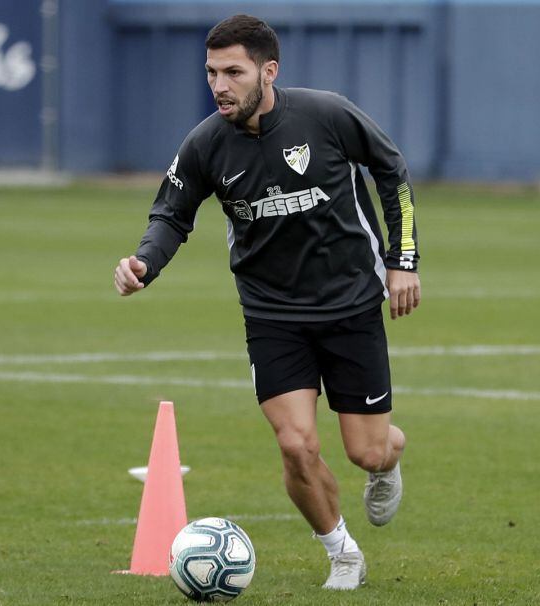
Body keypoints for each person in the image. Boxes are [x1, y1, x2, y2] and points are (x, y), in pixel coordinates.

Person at [113, 14, 421, 591]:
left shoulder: (325, 114)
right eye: (211, 73)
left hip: (351, 304)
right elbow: (170, 215)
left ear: (268, 70)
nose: (219, 85)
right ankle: (342, 552)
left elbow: (391, 168)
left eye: (233, 71)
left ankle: (391, 452)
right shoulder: (206, 142)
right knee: (295, 443)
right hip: (272, 314)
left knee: (367, 452)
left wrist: (402, 261)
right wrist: (143, 264)